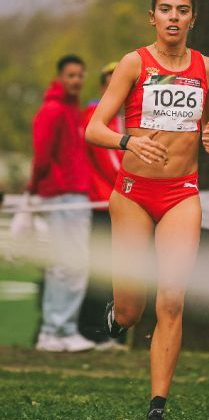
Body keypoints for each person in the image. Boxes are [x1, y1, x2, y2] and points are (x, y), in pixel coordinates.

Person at [85, 0, 209, 420]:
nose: (173, 17)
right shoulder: (133, 63)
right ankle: (119, 316)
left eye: (182, 10)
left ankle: (156, 415)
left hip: (182, 194)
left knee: (172, 300)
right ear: (152, 17)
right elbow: (94, 129)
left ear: (192, 18)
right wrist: (129, 141)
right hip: (132, 194)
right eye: (165, 9)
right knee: (132, 310)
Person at [28, 54, 96, 353]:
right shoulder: (53, 111)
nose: (76, 80)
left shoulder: (72, 111)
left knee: (72, 265)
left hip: (75, 195)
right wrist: (34, 189)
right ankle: (54, 331)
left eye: (80, 75)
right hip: (62, 196)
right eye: (71, 75)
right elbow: (42, 155)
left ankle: (61, 330)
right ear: (59, 77)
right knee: (66, 265)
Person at [79, 62, 126, 349]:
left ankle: (110, 331)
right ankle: (93, 331)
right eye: (110, 82)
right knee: (101, 270)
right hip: (102, 204)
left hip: (118, 204)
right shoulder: (97, 116)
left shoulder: (123, 117)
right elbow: (111, 164)